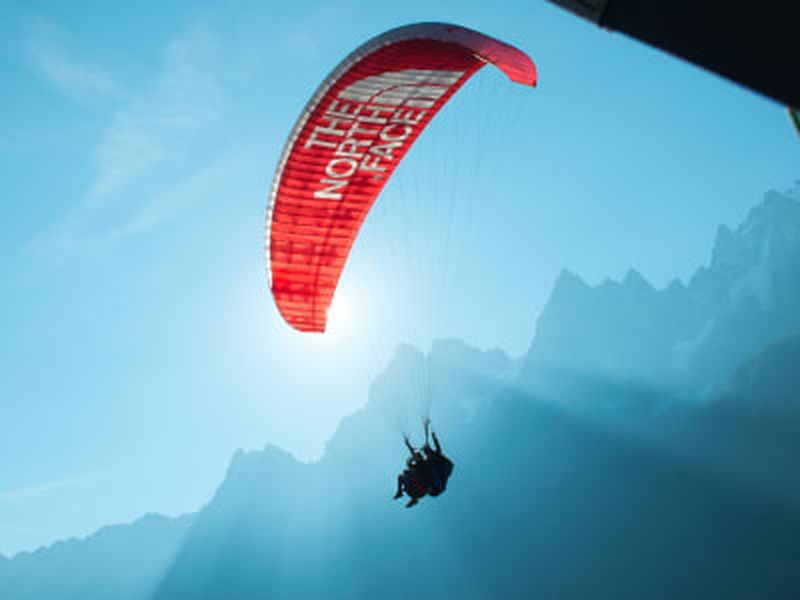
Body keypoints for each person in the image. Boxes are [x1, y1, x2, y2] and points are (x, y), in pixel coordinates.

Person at [393, 435, 429, 508]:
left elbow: (413, 455)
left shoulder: (422, 463)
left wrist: (408, 444)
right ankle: (401, 492)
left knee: (403, 475)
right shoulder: (418, 465)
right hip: (418, 488)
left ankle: (402, 493)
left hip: (421, 487)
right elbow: (409, 463)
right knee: (402, 474)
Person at [421, 419, 454, 497]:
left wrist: (433, 436)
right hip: (441, 469)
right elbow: (438, 447)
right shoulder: (434, 456)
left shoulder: (432, 458)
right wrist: (433, 436)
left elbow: (437, 448)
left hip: (439, 470)